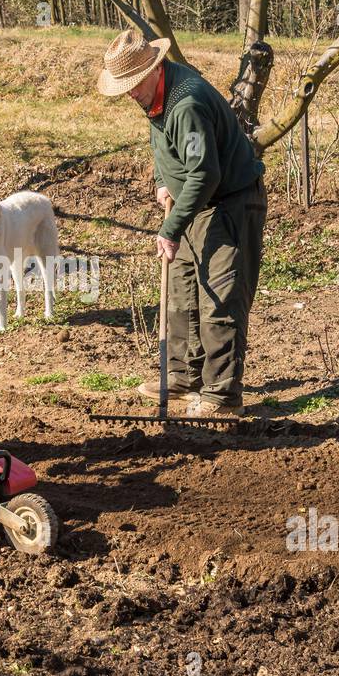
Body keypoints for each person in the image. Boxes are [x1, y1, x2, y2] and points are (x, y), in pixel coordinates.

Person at [97, 29, 266, 417]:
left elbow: (205, 174)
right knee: (182, 295)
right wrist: (162, 182)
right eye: (125, 86)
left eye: (133, 84)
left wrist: (170, 227)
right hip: (193, 204)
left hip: (228, 204)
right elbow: (164, 148)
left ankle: (222, 396)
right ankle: (182, 377)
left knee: (218, 298)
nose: (129, 93)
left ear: (154, 69)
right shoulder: (155, 98)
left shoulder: (185, 102)